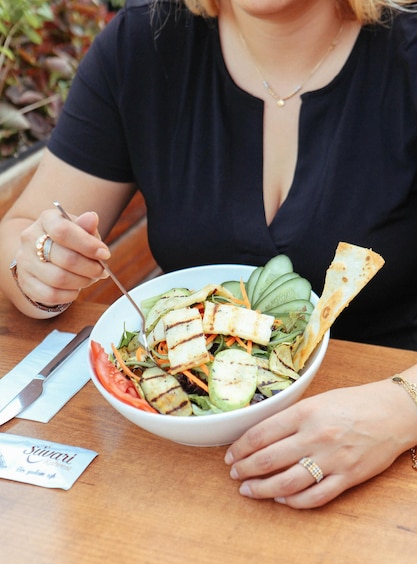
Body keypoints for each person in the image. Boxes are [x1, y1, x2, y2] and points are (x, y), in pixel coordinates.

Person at [1, 0, 417, 508]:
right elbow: (20, 235)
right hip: (174, 471)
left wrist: (400, 409)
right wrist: (40, 271)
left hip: (386, 473)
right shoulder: (143, 45)